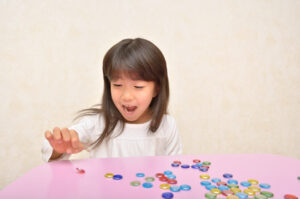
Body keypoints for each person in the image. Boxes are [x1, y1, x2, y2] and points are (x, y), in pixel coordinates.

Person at [42, 38, 182, 162]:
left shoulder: (167, 126)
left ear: (156, 89)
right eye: (117, 85)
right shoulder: (97, 124)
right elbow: (51, 150)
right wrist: (59, 148)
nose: (126, 96)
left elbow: (174, 171)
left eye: (138, 87)